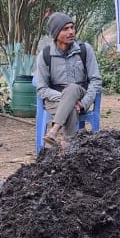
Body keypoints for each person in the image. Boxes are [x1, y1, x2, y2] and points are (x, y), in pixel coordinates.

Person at [35, 12, 102, 151]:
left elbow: (95, 81)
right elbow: (42, 88)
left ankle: (54, 130)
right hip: (54, 100)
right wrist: (67, 99)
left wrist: (84, 103)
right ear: (55, 33)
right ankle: (68, 146)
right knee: (70, 106)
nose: (71, 32)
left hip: (81, 97)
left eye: (72, 27)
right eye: (65, 29)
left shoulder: (84, 50)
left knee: (72, 88)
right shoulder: (45, 55)